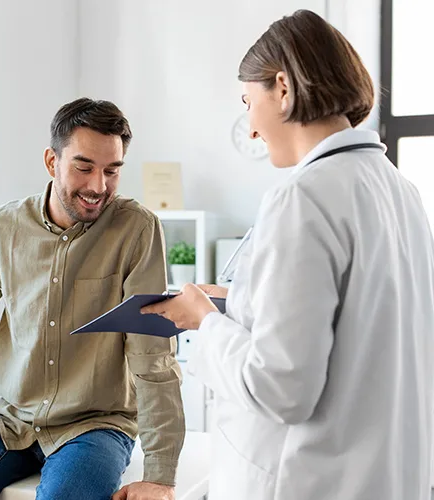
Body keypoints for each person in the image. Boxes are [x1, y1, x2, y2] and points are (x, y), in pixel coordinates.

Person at [134, 9, 434, 500]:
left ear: (283, 87)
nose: (251, 128)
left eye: (248, 102)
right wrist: (238, 299)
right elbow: (358, 317)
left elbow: (280, 386)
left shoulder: (304, 197)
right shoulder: (402, 191)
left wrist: (204, 322)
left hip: (311, 483)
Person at [0, 98, 185, 500]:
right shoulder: (2, 227)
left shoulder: (138, 229)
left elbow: (153, 354)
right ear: (51, 161)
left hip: (94, 427)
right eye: (84, 167)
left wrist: (161, 475)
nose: (98, 186)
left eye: (111, 171)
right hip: (7, 421)